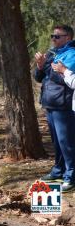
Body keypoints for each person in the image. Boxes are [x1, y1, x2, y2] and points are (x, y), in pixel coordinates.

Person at [34, 25, 75, 191]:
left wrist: (47, 67)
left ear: (68, 37)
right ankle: (58, 170)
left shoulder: (72, 54)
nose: (53, 39)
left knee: (67, 142)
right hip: (49, 103)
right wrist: (39, 65)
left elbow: (65, 79)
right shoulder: (53, 53)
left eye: (57, 36)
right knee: (57, 142)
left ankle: (71, 176)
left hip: (63, 105)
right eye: (52, 36)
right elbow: (38, 77)